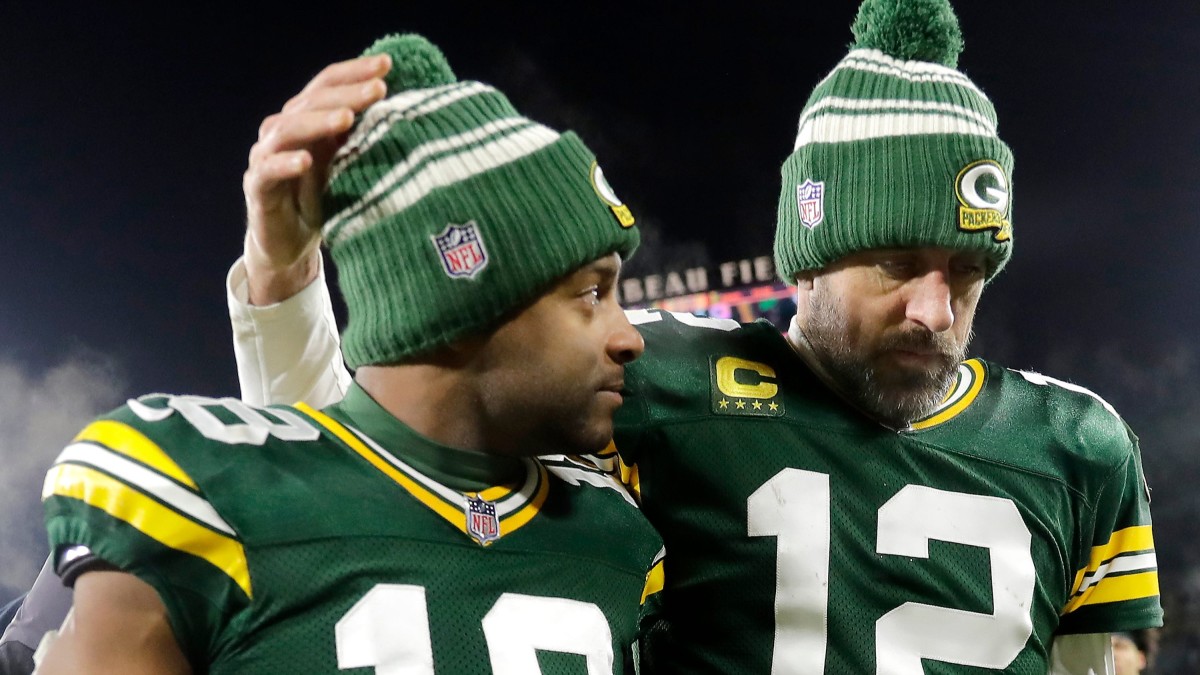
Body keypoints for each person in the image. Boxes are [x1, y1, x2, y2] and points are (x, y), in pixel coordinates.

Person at [227, 1, 1164, 673]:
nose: (933, 308)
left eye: (966, 271)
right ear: (809, 253)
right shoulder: (656, 386)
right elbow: (369, 491)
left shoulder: (1077, 446)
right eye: (895, 263)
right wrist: (282, 282)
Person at [35, 34, 663, 674]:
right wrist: (278, 274)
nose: (630, 337)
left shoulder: (613, 531)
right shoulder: (204, 491)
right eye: (591, 291)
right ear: (461, 298)